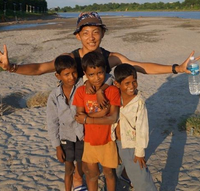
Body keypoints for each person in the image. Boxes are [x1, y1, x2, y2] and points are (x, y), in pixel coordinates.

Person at [0, 12, 197, 78]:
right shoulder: (71, 58)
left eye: (96, 32)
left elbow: (140, 66)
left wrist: (177, 68)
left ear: (103, 34)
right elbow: (40, 68)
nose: (91, 37)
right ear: (78, 36)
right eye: (85, 33)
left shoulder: (111, 57)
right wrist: (12, 67)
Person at [73, 51, 121, 191]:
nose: (97, 78)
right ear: (85, 74)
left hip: (108, 141)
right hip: (89, 142)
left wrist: (89, 119)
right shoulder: (82, 91)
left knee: (109, 173)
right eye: (91, 75)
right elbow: (79, 117)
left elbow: (113, 118)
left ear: (105, 70)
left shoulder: (112, 91)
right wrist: (101, 114)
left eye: (100, 73)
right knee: (92, 174)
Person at [113, 63, 157, 191]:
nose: (131, 86)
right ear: (117, 84)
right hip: (114, 143)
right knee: (112, 173)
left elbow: (142, 130)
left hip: (131, 146)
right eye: (127, 83)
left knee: (141, 177)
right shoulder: (114, 97)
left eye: (134, 82)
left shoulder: (139, 103)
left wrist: (140, 152)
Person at [46, 55, 87, 191]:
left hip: (82, 134)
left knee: (81, 165)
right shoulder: (54, 96)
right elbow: (52, 122)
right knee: (68, 167)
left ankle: (79, 179)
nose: (72, 77)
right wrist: (57, 147)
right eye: (66, 74)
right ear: (58, 76)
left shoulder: (83, 85)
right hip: (65, 137)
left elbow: (106, 78)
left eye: (74, 72)